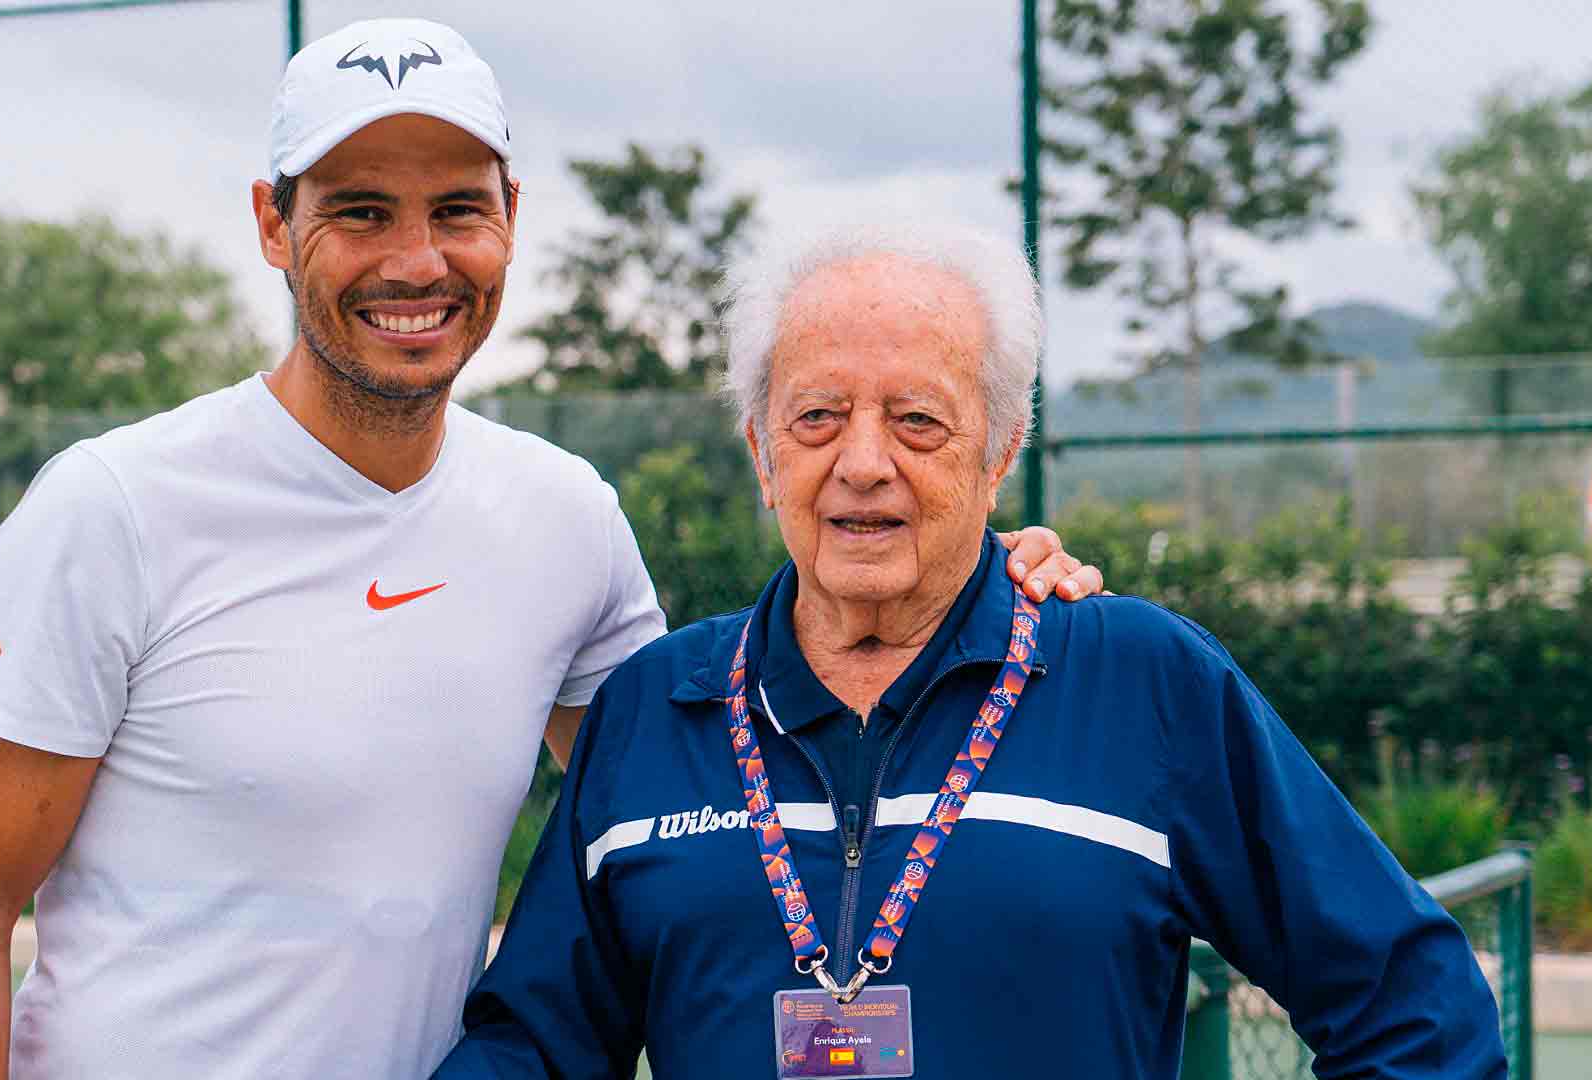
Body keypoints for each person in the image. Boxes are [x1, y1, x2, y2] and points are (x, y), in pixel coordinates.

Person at [0, 18, 1103, 1080]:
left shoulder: (565, 516)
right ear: (272, 224)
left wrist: (970, 583)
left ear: (511, 219)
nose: (416, 261)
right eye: (360, 212)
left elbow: (714, 769)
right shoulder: (110, 508)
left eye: (456, 209)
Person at [434, 220, 1508, 1080]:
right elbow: (534, 1046)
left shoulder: (1145, 683)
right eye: (816, 418)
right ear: (761, 451)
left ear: (1000, 454)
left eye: (917, 422)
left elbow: (1417, 1014)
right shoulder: (655, 708)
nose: (862, 463)